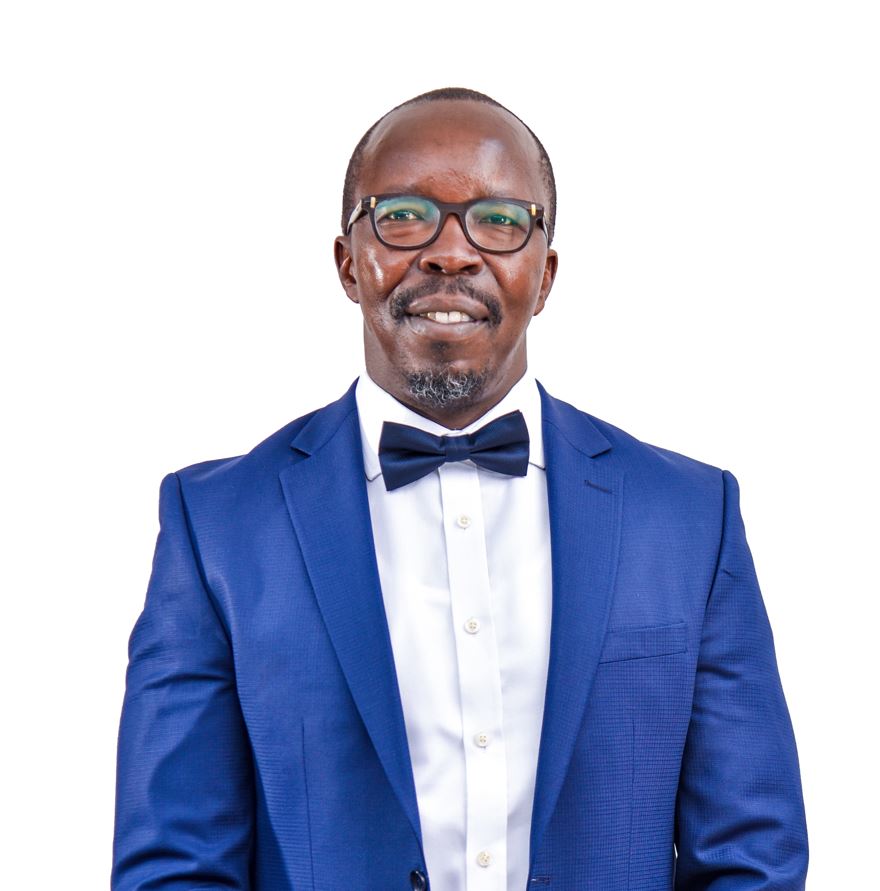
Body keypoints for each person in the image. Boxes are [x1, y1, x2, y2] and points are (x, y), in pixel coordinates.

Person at [111, 87, 808, 891]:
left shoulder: (688, 517)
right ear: (348, 262)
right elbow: (174, 866)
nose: (450, 253)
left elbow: (751, 857)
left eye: (499, 220)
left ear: (543, 276)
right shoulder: (217, 526)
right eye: (403, 216)